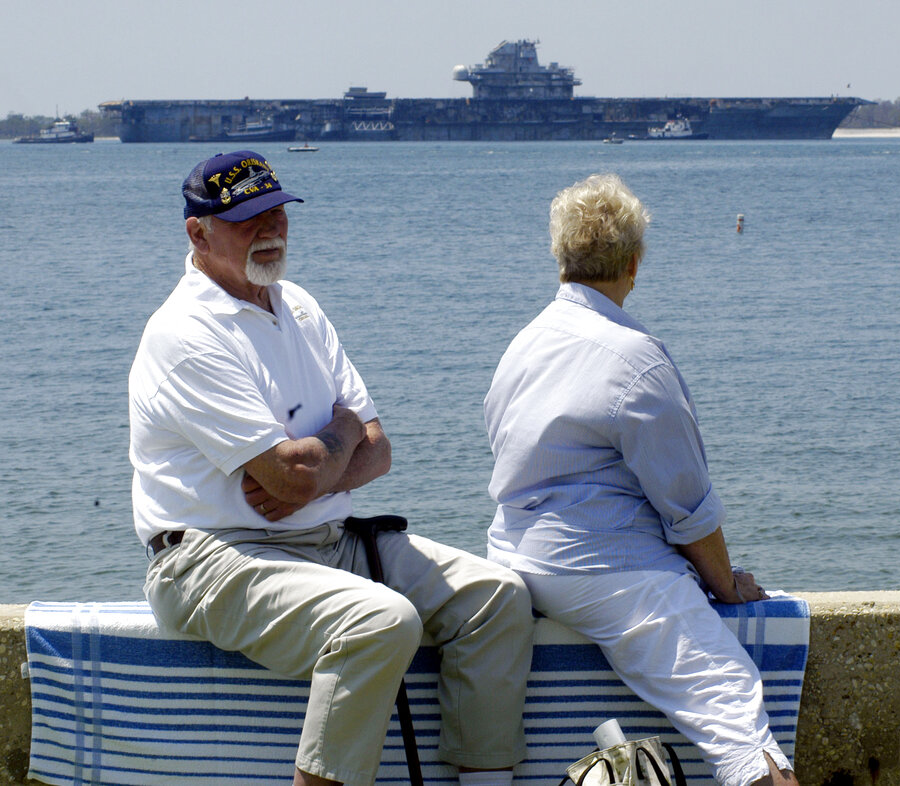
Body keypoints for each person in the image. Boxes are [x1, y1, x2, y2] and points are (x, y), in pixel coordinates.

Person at [129, 150, 533, 786]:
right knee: (381, 622)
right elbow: (298, 471)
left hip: (326, 541)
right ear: (197, 233)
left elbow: (379, 450)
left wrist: (317, 469)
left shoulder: (300, 309)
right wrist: (338, 437)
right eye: (248, 218)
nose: (271, 228)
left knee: (498, 598)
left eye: (278, 212)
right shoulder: (184, 333)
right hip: (214, 558)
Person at [483, 173, 799, 786]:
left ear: (560, 258)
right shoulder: (636, 359)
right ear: (633, 264)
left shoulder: (521, 347)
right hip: (606, 571)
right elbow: (688, 507)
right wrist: (726, 584)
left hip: (517, 559)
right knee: (738, 717)